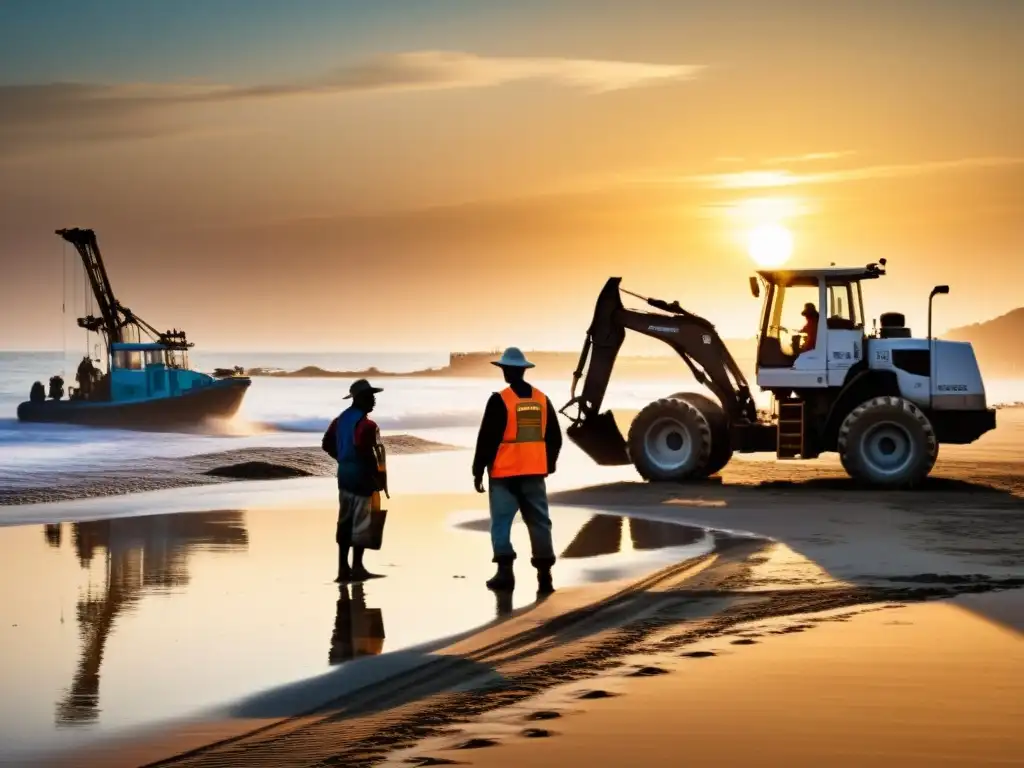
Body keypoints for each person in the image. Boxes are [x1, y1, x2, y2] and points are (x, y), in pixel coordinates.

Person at [472, 347, 562, 595]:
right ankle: (545, 577)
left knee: (501, 523)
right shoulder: (542, 399)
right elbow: (555, 436)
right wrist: (549, 463)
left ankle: (505, 574)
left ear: (508, 371)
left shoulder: (500, 400)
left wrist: (478, 469)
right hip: (534, 473)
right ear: (523, 370)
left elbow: (487, 439)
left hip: (504, 473)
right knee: (540, 523)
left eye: (505, 369)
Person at [322, 378, 386, 583]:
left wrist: (342, 458)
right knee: (361, 522)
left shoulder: (339, 420)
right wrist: (376, 476)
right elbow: (367, 452)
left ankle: (343, 567)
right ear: (360, 399)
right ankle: (357, 567)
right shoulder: (366, 424)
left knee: (345, 520)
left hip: (344, 476)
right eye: (370, 397)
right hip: (362, 476)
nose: (374, 401)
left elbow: (326, 444)